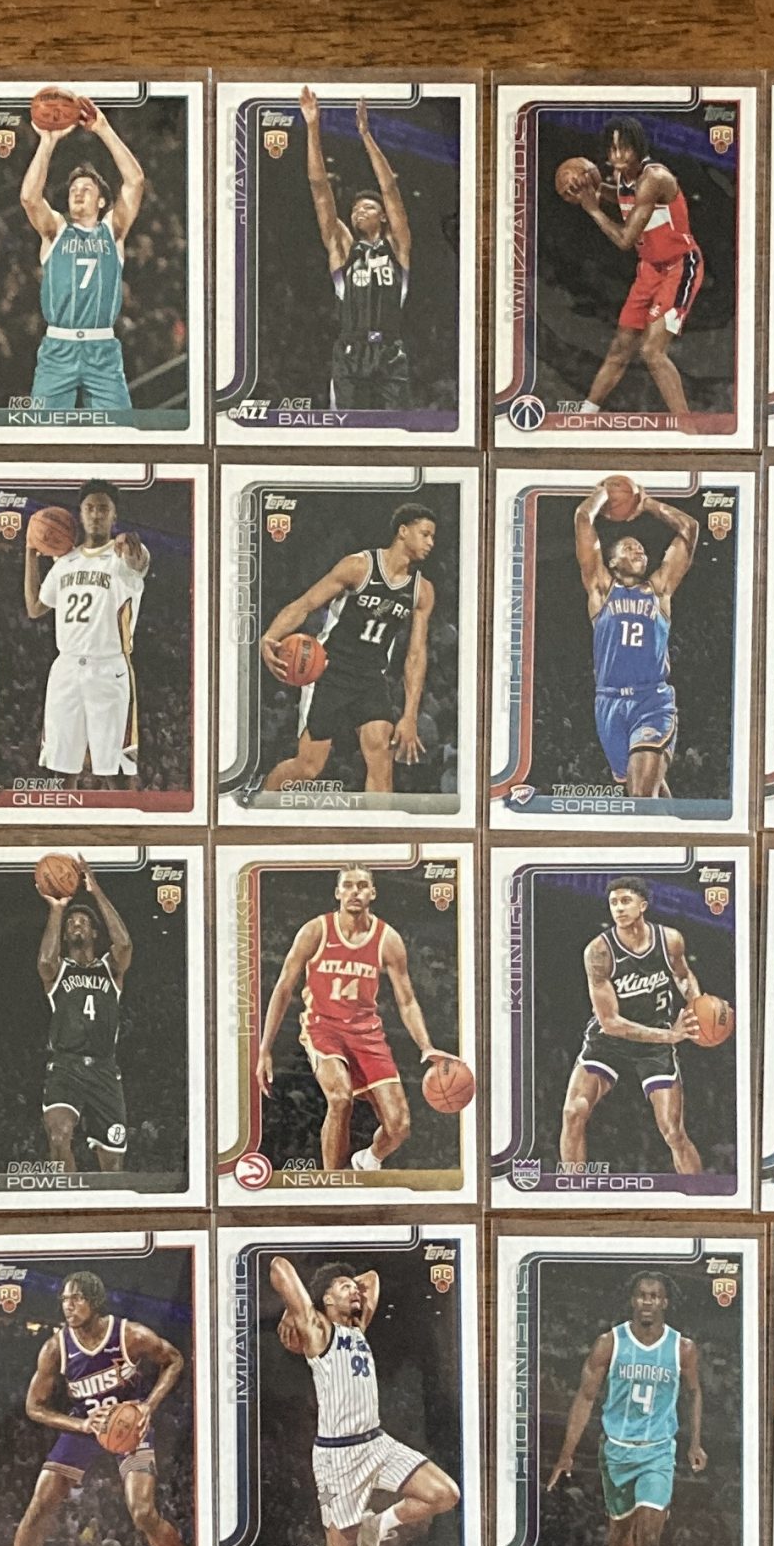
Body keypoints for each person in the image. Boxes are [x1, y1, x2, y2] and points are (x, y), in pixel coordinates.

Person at [256, 866, 458, 1175]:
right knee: (340, 1099)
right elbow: (283, 988)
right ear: (337, 892)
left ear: (372, 893)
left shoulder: (388, 939)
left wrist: (425, 1045)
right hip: (323, 1027)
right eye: (348, 885)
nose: (354, 891)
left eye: (362, 885)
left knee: (399, 1127)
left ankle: (367, 1159)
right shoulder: (316, 931)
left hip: (366, 1034)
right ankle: (332, 1184)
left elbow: (407, 1001)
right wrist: (265, 1049)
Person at [268, 1256, 461, 1546]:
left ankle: (378, 1524)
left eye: (353, 1287)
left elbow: (371, 1277)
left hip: (376, 1443)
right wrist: (293, 1309)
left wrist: (344, 1285)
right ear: (327, 1300)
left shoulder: (359, 1326)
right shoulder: (318, 1331)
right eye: (344, 1288)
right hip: (338, 1456)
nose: (355, 1291)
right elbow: (279, 1266)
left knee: (444, 1494)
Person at [8, 1272, 188, 1546]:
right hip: (85, 1423)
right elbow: (33, 1407)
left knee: (143, 1513)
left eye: (76, 1298)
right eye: (65, 1299)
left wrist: (148, 1406)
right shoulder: (55, 1348)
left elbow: (174, 1360)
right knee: (39, 1508)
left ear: (94, 1301)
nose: (68, 1306)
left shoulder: (130, 1335)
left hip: (128, 1424)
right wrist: (81, 1425)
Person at [258, 503, 439, 799]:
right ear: (403, 532)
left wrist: (410, 715)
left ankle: (379, 828)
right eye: (425, 534)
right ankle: (260, 802)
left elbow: (416, 655)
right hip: (329, 672)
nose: (431, 542)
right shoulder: (359, 567)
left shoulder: (422, 591)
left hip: (371, 677)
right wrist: (270, 636)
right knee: (308, 767)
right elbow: (305, 604)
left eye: (433, 537)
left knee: (381, 758)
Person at [548, 1272, 704, 1546]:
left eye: (654, 1296)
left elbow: (694, 1393)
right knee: (620, 1535)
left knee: (649, 1538)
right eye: (642, 1295)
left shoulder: (682, 1348)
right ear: (633, 1300)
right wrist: (566, 1453)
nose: (647, 1301)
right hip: (616, 1451)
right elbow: (585, 1398)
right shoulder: (609, 1343)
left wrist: (695, 1443)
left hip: (657, 1452)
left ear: (664, 1302)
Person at [560, 874, 708, 1175]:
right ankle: (572, 1189)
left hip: (654, 1043)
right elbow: (610, 1023)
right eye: (613, 902)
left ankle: (699, 1193)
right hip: (611, 1040)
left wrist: (698, 1004)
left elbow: (682, 975)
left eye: (625, 901)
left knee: (673, 1133)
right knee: (573, 1111)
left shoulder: (670, 940)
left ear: (643, 905)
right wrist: (671, 1036)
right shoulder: (598, 952)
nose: (618, 908)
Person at [20, 100, 149, 413]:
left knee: (118, 434)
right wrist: (47, 142)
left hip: (102, 349)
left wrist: (103, 129)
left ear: (102, 201)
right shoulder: (55, 231)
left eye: (86, 189)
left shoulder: (113, 231)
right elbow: (29, 198)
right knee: (42, 432)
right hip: (58, 349)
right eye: (73, 189)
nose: (77, 192)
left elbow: (135, 181)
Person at [573, 480, 699, 799]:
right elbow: (583, 519)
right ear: (612, 561)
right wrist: (605, 492)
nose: (639, 550)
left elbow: (690, 529)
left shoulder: (659, 590)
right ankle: (678, 828)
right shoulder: (601, 590)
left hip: (651, 700)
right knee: (644, 793)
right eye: (629, 548)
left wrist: (648, 504)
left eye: (641, 548)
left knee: (641, 798)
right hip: (608, 702)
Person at [566, 120, 701, 417]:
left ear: (638, 148)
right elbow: (622, 195)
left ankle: (687, 429)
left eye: (624, 148)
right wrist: (589, 187)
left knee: (652, 351)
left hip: (679, 266)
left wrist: (592, 208)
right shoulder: (623, 176)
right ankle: (586, 415)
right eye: (612, 148)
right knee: (620, 347)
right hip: (650, 269)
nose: (618, 155)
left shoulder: (654, 178)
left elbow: (625, 240)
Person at [300, 88, 415, 411]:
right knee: (349, 433)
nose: (358, 212)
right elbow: (319, 189)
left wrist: (365, 135)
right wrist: (313, 127)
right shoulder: (343, 248)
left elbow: (389, 188)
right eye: (355, 209)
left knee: (394, 433)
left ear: (383, 216)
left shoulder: (397, 246)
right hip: (350, 355)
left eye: (367, 208)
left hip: (389, 352)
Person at [26, 483, 147, 787]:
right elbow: (35, 607)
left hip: (108, 668)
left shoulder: (122, 555)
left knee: (114, 770)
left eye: (103, 509)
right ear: (80, 514)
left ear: (114, 515)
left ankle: (121, 818)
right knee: (61, 767)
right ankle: (65, 816)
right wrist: (31, 552)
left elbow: (138, 561)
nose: (96, 514)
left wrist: (128, 544)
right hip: (65, 667)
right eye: (89, 508)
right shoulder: (65, 562)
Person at [38, 862, 134, 1174]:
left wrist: (96, 892)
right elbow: (45, 961)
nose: (76, 924)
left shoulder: (110, 969)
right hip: (66, 1067)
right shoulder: (59, 972)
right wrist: (57, 909)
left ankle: (104, 1205)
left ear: (94, 932)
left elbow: (124, 944)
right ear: (65, 935)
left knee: (112, 1165)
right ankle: (67, 1200)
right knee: (58, 1137)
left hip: (104, 1069)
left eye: (83, 922)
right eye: (71, 923)